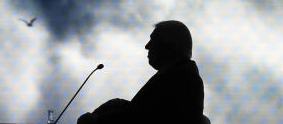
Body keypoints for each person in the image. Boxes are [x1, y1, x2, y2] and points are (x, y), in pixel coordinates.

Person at [77, 21, 209, 124]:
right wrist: (120, 105)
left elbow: (147, 117)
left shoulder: (183, 79)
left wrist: (97, 121)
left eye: (154, 39)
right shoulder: (178, 77)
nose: (147, 45)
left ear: (169, 43)